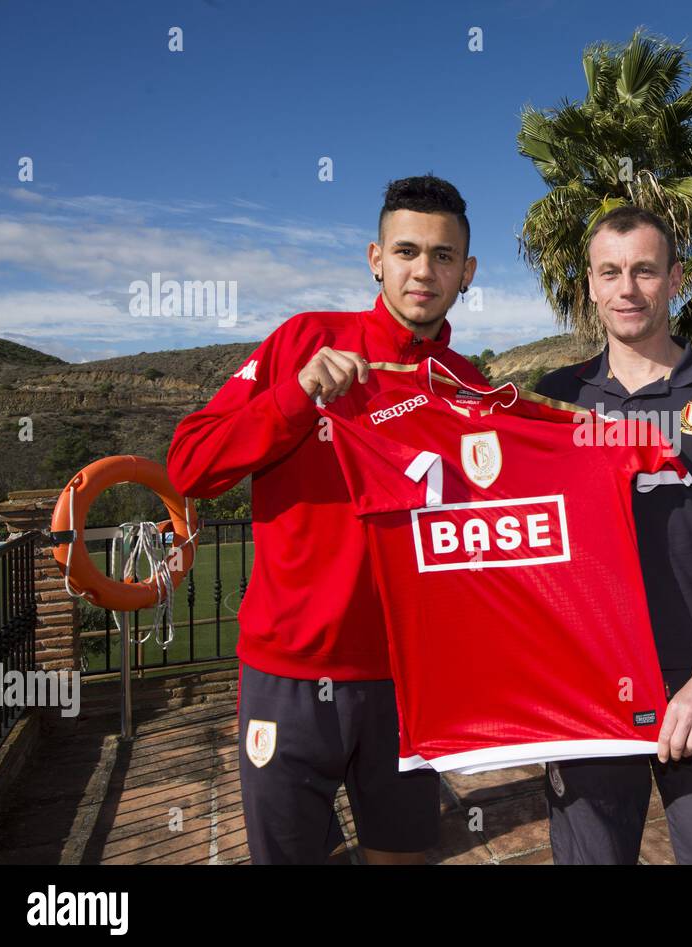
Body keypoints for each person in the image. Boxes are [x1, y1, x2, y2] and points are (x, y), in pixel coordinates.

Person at [167, 175, 489, 864]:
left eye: (442, 255)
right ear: (376, 258)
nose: (422, 271)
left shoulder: (472, 389)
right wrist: (296, 395)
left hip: (409, 681)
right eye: (406, 251)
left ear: (468, 271)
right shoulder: (305, 341)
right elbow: (189, 465)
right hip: (288, 675)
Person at [534, 206, 692, 864]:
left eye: (644, 270)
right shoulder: (555, 399)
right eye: (610, 272)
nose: (627, 288)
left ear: (675, 279)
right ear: (589, 284)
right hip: (587, 686)